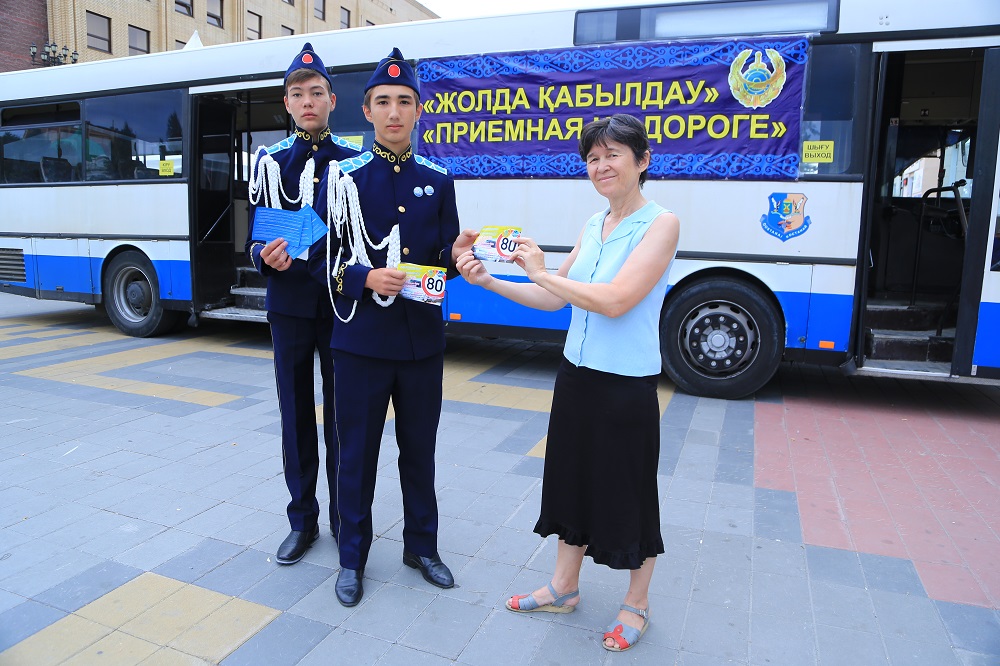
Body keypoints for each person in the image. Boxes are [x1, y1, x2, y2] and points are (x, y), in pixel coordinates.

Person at [455, 114, 680, 652]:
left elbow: (617, 300)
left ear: (642, 161)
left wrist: (539, 271)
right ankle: (563, 585)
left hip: (626, 384)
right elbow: (559, 298)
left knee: (629, 491)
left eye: (613, 155)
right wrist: (491, 280)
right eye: (593, 158)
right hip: (576, 375)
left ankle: (637, 602)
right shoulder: (592, 224)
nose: (600, 166)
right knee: (570, 479)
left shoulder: (661, 223)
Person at [307, 47, 477, 607]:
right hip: (359, 343)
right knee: (355, 452)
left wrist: (460, 255)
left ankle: (421, 547)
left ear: (419, 110)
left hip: (422, 342)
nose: (395, 111)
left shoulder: (439, 178)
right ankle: (351, 558)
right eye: (384, 102)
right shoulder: (343, 177)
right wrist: (362, 277)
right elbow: (324, 258)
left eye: (405, 101)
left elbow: (445, 258)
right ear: (367, 110)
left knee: (419, 450)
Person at [246, 42, 360, 566]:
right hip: (289, 308)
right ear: (286, 103)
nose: (308, 101)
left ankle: (343, 520)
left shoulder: (353, 163)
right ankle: (302, 520)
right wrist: (265, 255)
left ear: (332, 101)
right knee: (295, 416)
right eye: (298, 94)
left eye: (317, 93)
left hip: (339, 309)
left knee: (341, 419)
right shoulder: (270, 162)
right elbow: (255, 238)